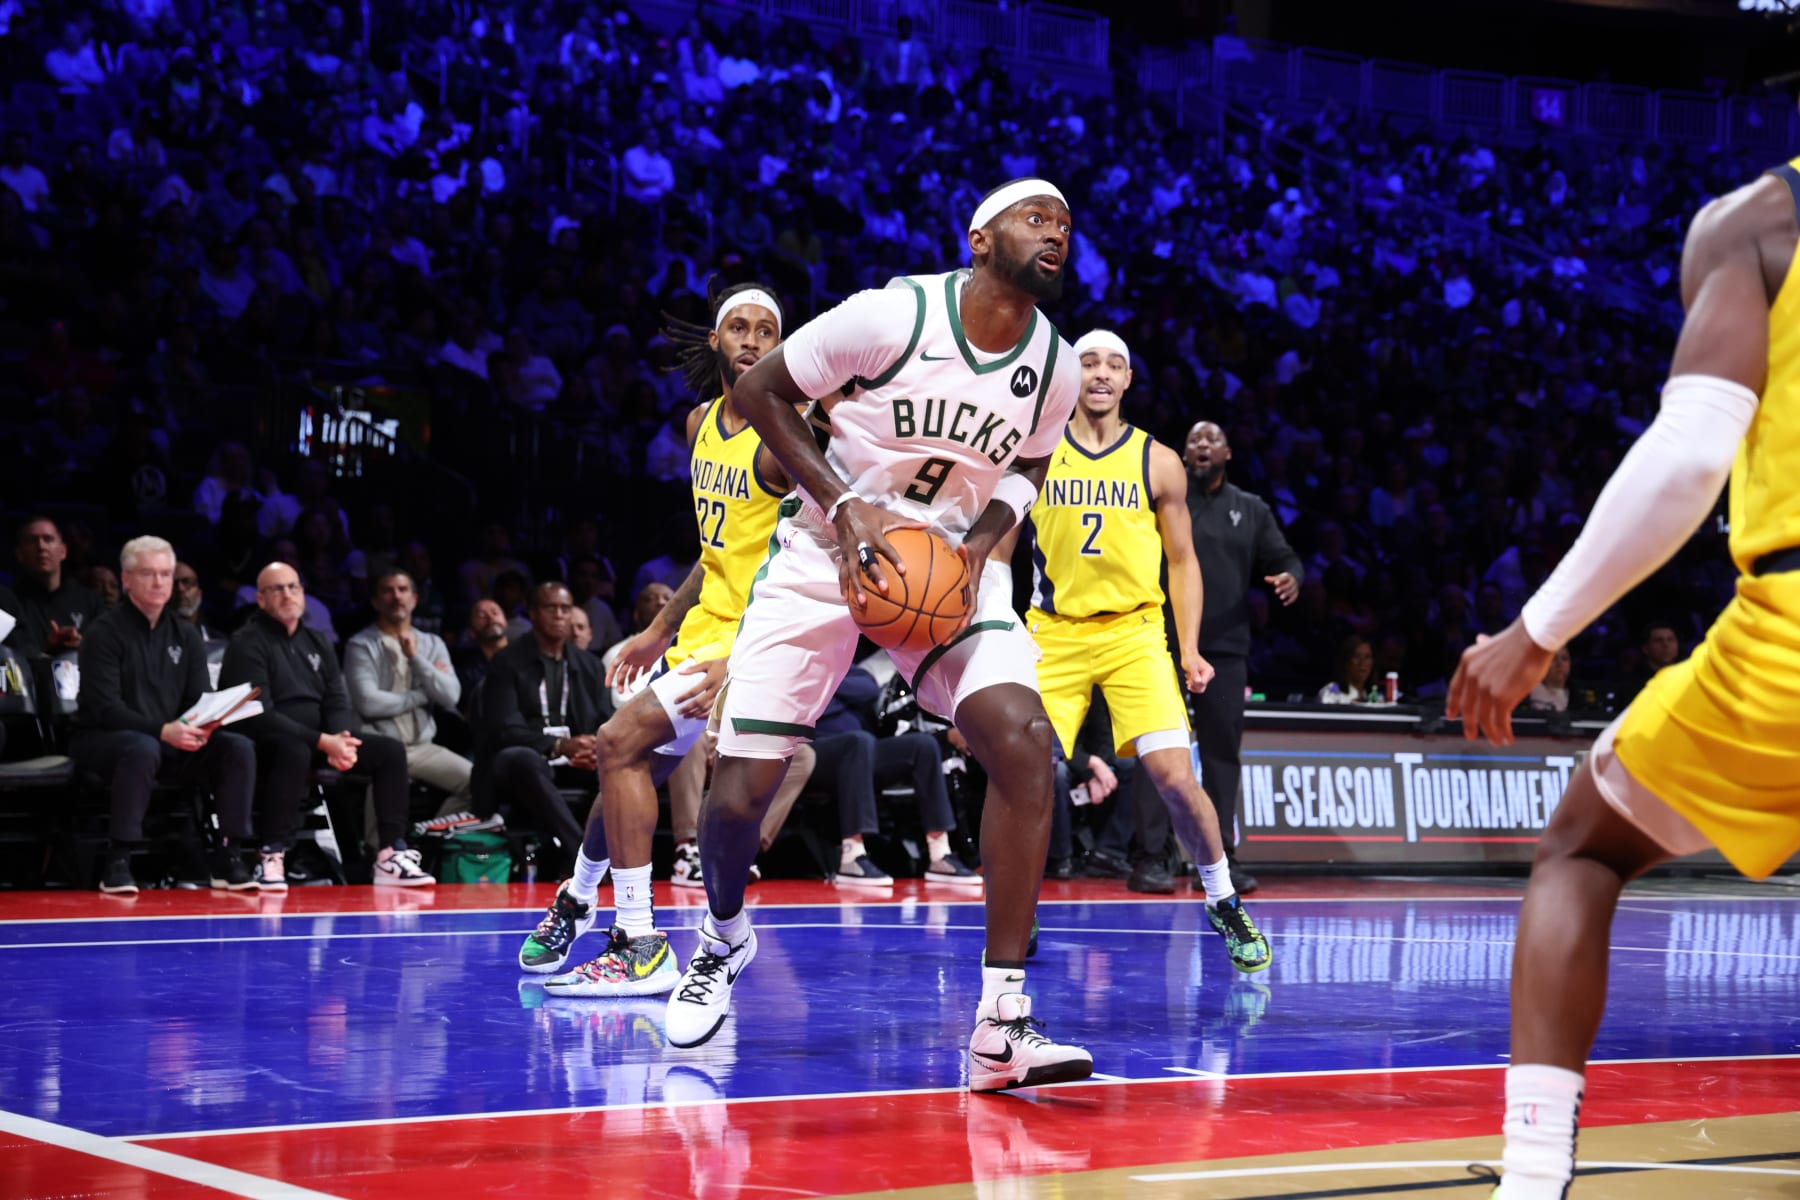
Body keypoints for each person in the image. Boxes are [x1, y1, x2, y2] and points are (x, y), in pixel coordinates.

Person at [663, 178, 1094, 1091]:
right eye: (1036, 217)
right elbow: (764, 390)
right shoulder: (892, 315)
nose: (1056, 232)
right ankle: (721, 936)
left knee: (1024, 745)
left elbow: (1034, 462)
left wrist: (981, 545)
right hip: (829, 547)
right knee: (740, 792)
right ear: (979, 237)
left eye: (1064, 223)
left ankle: (1000, 1022)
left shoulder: (1054, 364)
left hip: (946, 570)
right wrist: (847, 502)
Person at [1446, 158, 1800, 1200]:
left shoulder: (1763, 217)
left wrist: (1536, 628)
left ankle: (1532, 1174)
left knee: (1580, 848)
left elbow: (1692, 455)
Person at [521, 281, 807, 993]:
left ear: (780, 347)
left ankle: (640, 943)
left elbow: (808, 560)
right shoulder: (699, 424)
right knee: (633, 768)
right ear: (715, 341)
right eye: (737, 327)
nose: (750, 339)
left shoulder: (786, 438)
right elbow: (717, 553)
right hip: (700, 631)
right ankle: (580, 897)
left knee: (618, 745)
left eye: (765, 331)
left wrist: (743, 659)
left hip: (750, 640)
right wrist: (657, 626)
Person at [993, 330, 1269, 969]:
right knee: (1024, 776)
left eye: (1113, 364)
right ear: (1072, 373)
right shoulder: (1035, 452)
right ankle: (1015, 908)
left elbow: (1182, 560)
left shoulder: (1159, 460)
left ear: (1126, 381)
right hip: (1052, 631)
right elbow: (1000, 551)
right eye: (1088, 361)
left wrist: (1190, 648)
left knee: (1174, 775)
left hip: (1135, 632)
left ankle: (1222, 896)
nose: (1100, 372)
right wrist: (995, 628)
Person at [221, 563, 434, 891]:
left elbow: (336, 699)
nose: (288, 595)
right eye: (277, 589)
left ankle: (390, 854)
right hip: (266, 740)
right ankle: (271, 854)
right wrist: (324, 741)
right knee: (293, 748)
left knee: (388, 750)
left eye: (294, 587)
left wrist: (342, 739)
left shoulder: (317, 641)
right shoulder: (246, 642)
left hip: (321, 740)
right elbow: (257, 713)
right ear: (261, 599)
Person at [70, 536, 258, 895]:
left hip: (169, 739)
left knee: (237, 747)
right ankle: (119, 860)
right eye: (148, 574)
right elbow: (105, 708)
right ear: (126, 579)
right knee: (141, 747)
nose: (159, 583)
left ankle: (229, 855)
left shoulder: (185, 634)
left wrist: (206, 723)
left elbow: (198, 699)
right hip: (103, 739)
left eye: (165, 574)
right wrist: (163, 731)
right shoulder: (103, 633)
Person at [1182, 420, 1304, 894]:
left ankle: (1221, 859)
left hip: (1226, 648)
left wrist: (1292, 578)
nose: (1203, 446)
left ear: (1228, 452)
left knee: (1220, 758)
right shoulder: (1168, 502)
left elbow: (1286, 560)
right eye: (1194, 441)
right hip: (1166, 642)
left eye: (1212, 439)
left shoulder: (1249, 509)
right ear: (1184, 454)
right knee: (1156, 752)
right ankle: (1147, 856)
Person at [472, 582, 608, 869]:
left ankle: (621, 854)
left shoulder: (589, 665)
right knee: (521, 758)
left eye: (565, 609)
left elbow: (605, 719)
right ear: (532, 613)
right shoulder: (506, 662)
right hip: (524, 762)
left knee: (618, 762)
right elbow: (504, 728)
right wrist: (559, 746)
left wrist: (592, 747)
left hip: (578, 760)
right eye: (550, 608)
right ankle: (582, 854)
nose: (559, 615)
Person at [810, 663, 981, 888]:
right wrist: (835, 688)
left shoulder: (833, 667)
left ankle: (940, 854)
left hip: (862, 752)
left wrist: (830, 681)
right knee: (857, 741)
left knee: (923, 745)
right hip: (816, 752)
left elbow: (868, 688)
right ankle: (852, 857)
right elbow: (816, 702)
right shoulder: (803, 666)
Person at [344, 568, 473, 833]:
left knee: (477, 783)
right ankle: (379, 855)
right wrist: (422, 695)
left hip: (423, 747)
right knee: (387, 773)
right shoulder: (361, 645)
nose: (396, 596)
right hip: (380, 746)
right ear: (375, 601)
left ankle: (428, 837)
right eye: (387, 590)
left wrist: (416, 659)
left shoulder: (431, 643)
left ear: (415, 598)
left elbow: (451, 696)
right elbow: (368, 703)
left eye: (403, 590)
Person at [6, 516, 103, 657]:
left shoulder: (90, 601)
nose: (41, 546)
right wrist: (47, 650)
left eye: (48, 539)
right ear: (19, 554)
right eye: (32, 541)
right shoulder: (8, 603)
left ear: (63, 551)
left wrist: (83, 645)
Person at [172, 561, 223, 640]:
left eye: (187, 582)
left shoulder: (216, 640)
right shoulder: (155, 638)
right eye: (174, 584)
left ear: (200, 592)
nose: (180, 589)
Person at [1317, 635, 1375, 704]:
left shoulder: (1372, 694)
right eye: (1356, 656)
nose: (1362, 663)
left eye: (1367, 657)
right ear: (1346, 662)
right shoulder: (1332, 689)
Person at [1525, 646, 1572, 712]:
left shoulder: (1578, 695)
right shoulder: (1529, 693)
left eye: (1564, 659)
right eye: (1553, 659)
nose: (1559, 664)